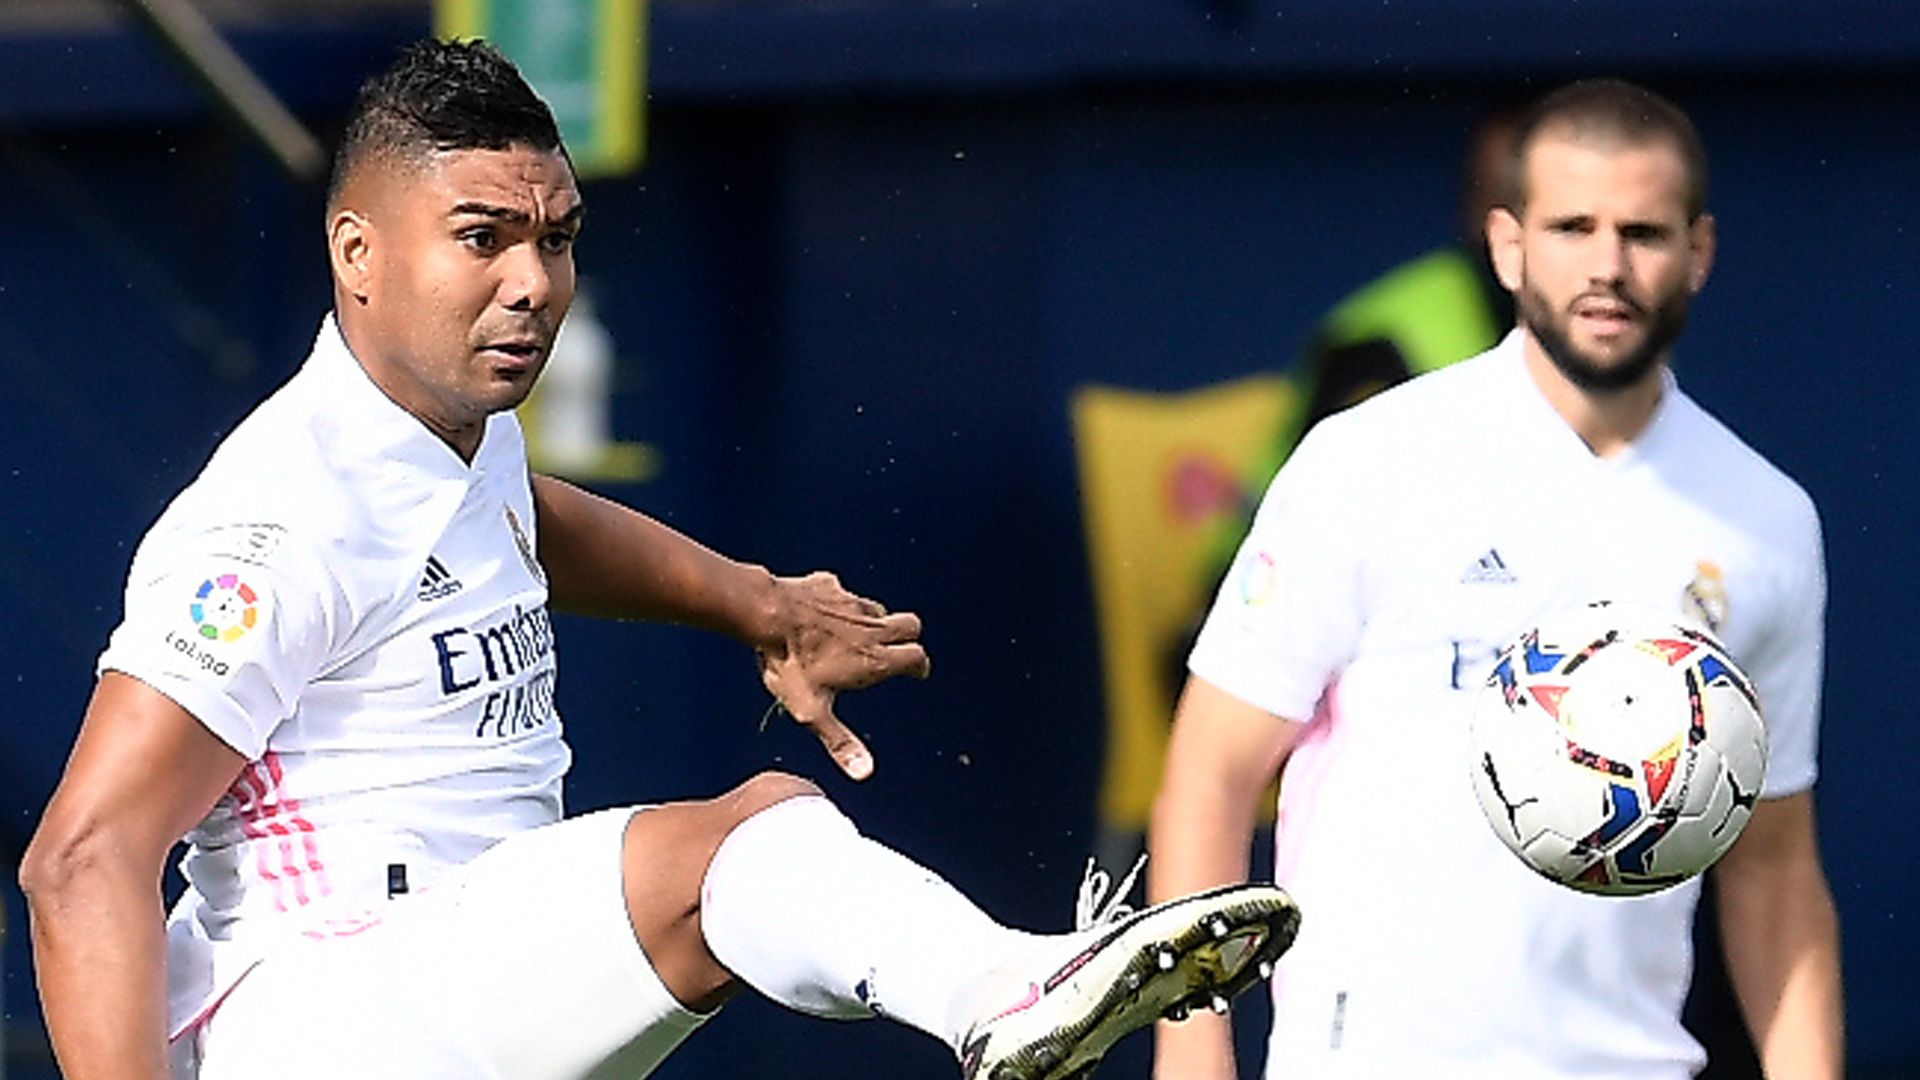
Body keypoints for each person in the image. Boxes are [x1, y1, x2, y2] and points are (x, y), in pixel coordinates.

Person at [18, 39, 1299, 1080]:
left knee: (747, 863)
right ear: (357, 253)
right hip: (323, 1008)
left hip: (459, 1001)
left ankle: (998, 986)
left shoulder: (452, 441)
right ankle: (1005, 990)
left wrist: (760, 605)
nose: (532, 282)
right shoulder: (272, 523)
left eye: (557, 237)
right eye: (481, 238)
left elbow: (531, 521)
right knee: (745, 839)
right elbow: (79, 858)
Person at [1148, 78, 1843, 1079]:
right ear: (1508, 245)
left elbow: (1773, 869)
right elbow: (1210, 776)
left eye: (1644, 233)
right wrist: (1192, 1060)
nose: (1608, 267)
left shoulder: (1766, 521)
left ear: (1700, 252)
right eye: (1573, 228)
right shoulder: (1367, 460)